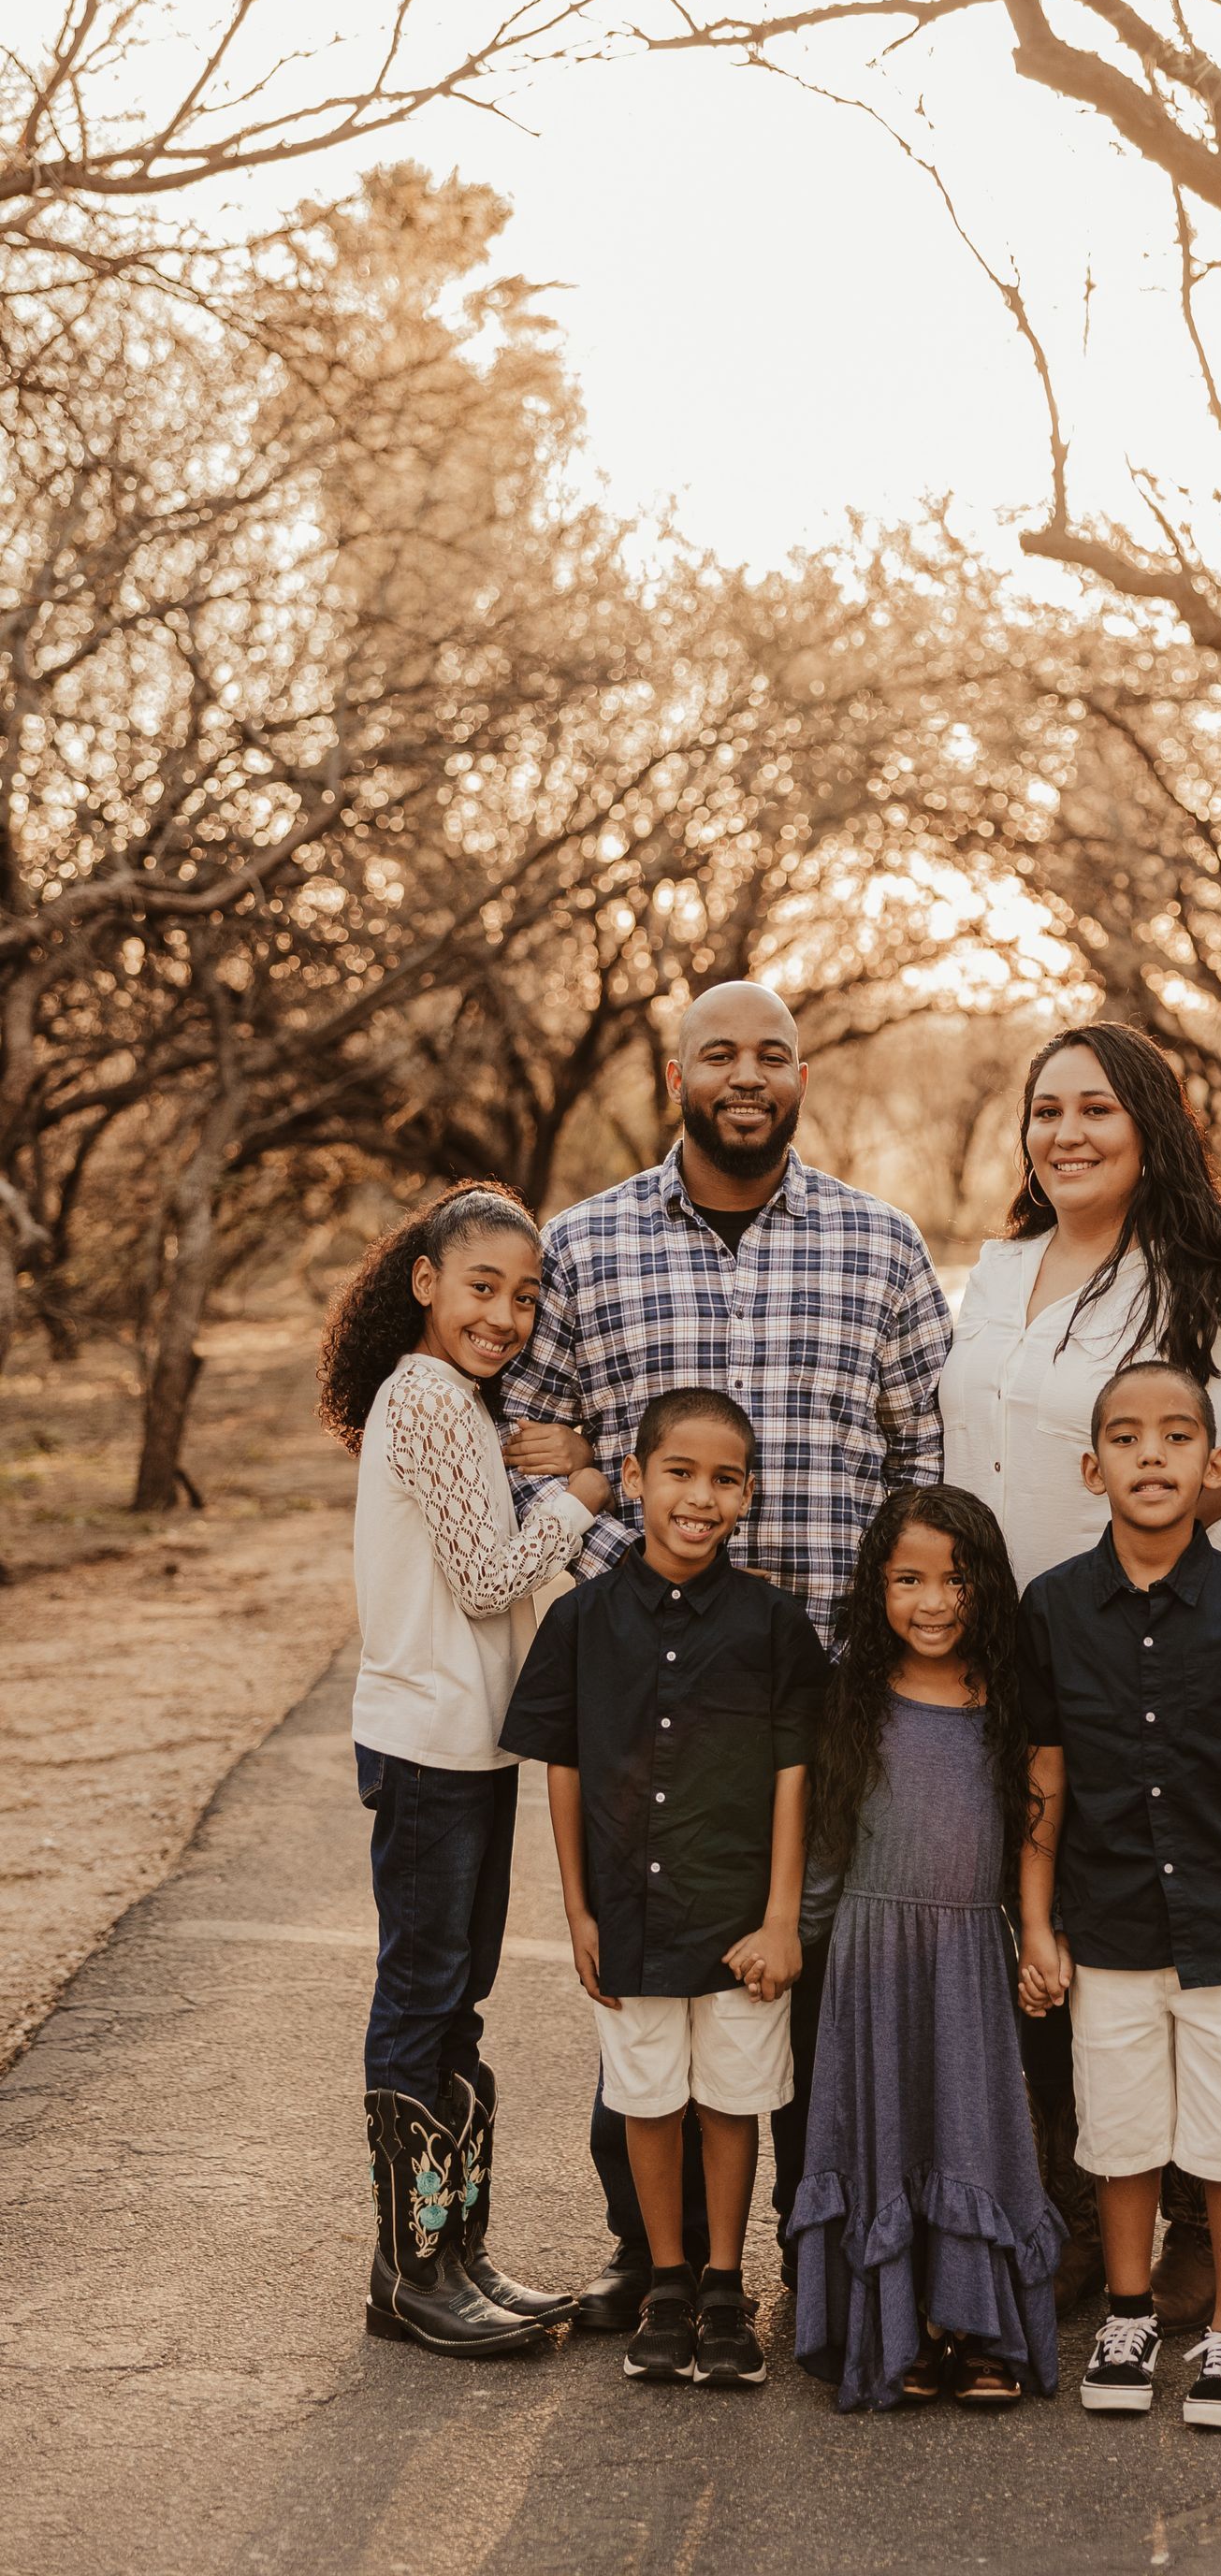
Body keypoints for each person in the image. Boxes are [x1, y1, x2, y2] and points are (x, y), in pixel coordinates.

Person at [500, 980, 952, 2328]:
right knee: (650, 1962)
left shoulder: (879, 1245)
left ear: (802, 1075)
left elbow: (927, 1453)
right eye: (720, 1054)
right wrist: (627, 1608)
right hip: (655, 1705)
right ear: (676, 1072)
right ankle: (657, 2265)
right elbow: (540, 1444)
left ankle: (807, 2261)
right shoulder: (584, 1249)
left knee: (804, 1973)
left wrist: (896, 1636)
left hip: (832, 1687)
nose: (746, 1075)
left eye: (772, 1053)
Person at [941, 1020, 1221, 2328]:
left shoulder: (1210, 1289)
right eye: (1046, 1112)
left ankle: (1193, 2213)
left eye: (1096, 1109)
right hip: (987, 1654)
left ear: (1148, 1127)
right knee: (1029, 1936)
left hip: (1137, 1668)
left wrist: (1188, 1646)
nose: (1068, 1133)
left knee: (1146, 1925)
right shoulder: (995, 1272)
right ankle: (1069, 2209)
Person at [316, 1181, 608, 2357]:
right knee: (423, 2002)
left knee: (457, 2007)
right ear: (426, 1281)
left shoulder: (458, 1405)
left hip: (467, 1746)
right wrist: (586, 1496)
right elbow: (490, 1578)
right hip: (429, 1749)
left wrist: (559, 1458)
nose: (505, 1316)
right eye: (482, 1288)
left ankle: (455, 2253)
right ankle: (410, 2275)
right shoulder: (426, 1397)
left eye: (525, 1298)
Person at [1018, 1362, 1221, 2432]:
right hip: (1105, 1928)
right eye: (1128, 1437)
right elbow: (1043, 1776)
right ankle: (1130, 2312)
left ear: (1215, 1463)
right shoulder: (1052, 1607)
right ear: (1091, 1466)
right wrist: (1035, 1918)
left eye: (1177, 1434)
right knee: (1119, 2135)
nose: (1153, 1454)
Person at [500, 1388, 828, 2388]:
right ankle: (671, 2281)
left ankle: (727, 2287)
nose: (700, 1496)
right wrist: (579, 1909)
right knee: (648, 2099)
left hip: (738, 1919)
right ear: (633, 1480)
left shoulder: (773, 1624)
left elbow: (792, 1778)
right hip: (631, 1913)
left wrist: (780, 1916)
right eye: (678, 1473)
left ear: (749, 1496)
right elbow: (559, 1765)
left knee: (732, 2102)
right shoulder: (580, 1620)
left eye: (725, 1479)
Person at [790, 1485, 1063, 2411]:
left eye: (955, 1580)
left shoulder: (1006, 1701)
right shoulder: (852, 1698)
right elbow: (825, 1839)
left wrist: (1034, 1935)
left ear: (986, 1587)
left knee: (971, 2134)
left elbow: (1033, 1830)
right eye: (909, 1580)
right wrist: (797, 1937)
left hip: (968, 1957)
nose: (934, 1602)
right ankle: (898, 2329)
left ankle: (975, 2330)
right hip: (868, 1956)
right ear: (876, 1588)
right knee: (884, 2134)